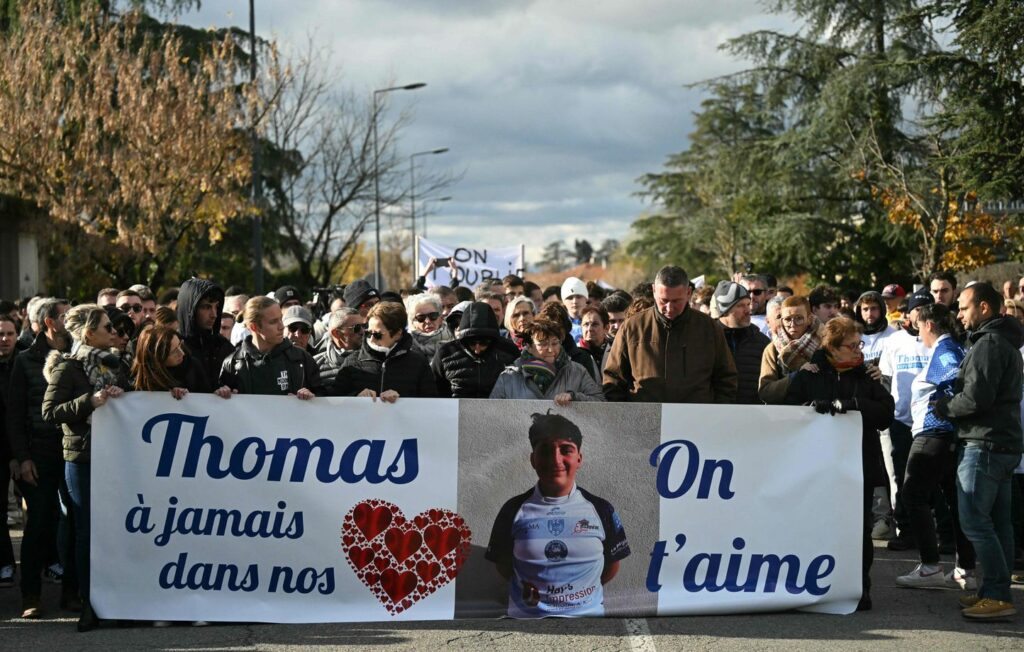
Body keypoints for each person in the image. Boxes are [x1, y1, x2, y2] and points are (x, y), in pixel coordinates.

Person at [785, 316, 895, 611]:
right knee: (818, 526)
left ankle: (860, 585)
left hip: (859, 464)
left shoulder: (867, 375)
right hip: (817, 467)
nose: (858, 351)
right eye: (851, 346)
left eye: (860, 345)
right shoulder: (811, 373)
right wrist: (809, 410)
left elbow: (886, 414)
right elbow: (787, 413)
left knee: (858, 529)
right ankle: (815, 583)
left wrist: (854, 406)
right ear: (832, 347)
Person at [934, 282, 1023, 619]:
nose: (958, 314)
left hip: (984, 444)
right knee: (998, 524)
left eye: (964, 306)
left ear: (984, 308)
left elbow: (976, 399)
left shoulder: (989, 344)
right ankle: (994, 591)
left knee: (974, 521)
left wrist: (944, 406)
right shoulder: (1003, 342)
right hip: (999, 443)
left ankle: (998, 595)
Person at [485, 412, 630, 618]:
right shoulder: (512, 509)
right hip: (526, 626)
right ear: (533, 459)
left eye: (566, 450)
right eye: (545, 450)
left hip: (588, 623)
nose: (555, 459)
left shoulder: (601, 509)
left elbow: (612, 566)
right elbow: (503, 566)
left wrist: (575, 598)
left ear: (579, 458)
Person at [42, 304, 130, 631]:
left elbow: (129, 402)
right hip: (83, 460)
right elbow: (50, 411)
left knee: (114, 530)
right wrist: (89, 402)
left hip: (116, 458)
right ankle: (88, 602)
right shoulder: (69, 368)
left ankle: (115, 600)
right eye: (107, 327)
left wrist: (124, 395)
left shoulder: (114, 364)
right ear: (89, 332)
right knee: (86, 532)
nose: (114, 333)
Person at [895, 303, 976, 591]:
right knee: (954, 500)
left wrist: (942, 407)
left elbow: (955, 379)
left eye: (919, 327)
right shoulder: (951, 347)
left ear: (929, 325)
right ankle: (965, 567)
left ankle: (930, 566)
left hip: (934, 433)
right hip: (944, 434)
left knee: (913, 495)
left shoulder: (945, 349)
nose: (919, 333)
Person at [6, 299, 76, 618]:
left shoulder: (79, 353)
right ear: (49, 322)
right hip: (40, 452)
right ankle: (30, 595)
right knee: (39, 521)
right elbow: (15, 414)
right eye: (64, 316)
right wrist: (22, 458)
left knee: (75, 522)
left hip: (75, 449)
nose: (70, 320)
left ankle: (73, 593)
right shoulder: (24, 360)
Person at [603, 265, 737, 404]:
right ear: (654, 291)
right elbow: (614, 378)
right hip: (644, 418)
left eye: (676, 301)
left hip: (697, 418)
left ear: (688, 293)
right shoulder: (632, 328)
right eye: (664, 300)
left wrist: (716, 413)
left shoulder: (708, 328)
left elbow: (726, 378)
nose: (669, 308)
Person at [878, 290, 935, 551]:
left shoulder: (938, 339)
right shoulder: (894, 341)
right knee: (902, 478)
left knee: (933, 481)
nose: (922, 313)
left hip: (932, 421)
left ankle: (940, 534)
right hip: (901, 420)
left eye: (927, 308)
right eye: (917, 309)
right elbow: (886, 379)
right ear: (908, 314)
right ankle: (906, 530)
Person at [217, 297, 322, 398]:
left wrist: (311, 397)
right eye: (273, 322)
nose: (281, 326)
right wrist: (223, 394)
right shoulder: (233, 363)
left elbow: (323, 400)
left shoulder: (302, 358)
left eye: (281, 319)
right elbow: (219, 407)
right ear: (254, 327)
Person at [333, 301, 436, 401]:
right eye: (369, 333)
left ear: (398, 334)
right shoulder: (351, 362)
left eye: (378, 335)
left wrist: (402, 400)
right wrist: (356, 396)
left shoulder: (418, 363)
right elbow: (335, 400)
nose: (371, 339)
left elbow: (430, 402)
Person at [490, 317, 605, 404]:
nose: (550, 349)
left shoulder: (576, 371)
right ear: (529, 346)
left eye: (555, 343)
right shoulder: (510, 376)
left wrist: (574, 397)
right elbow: (494, 412)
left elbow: (600, 401)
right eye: (543, 344)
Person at [433, 302, 520, 398]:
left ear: (493, 340)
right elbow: (435, 392)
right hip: (455, 411)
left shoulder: (509, 351)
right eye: (471, 343)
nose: (477, 350)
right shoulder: (446, 353)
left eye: (484, 343)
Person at [758, 296, 824, 404]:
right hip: (785, 415)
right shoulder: (773, 349)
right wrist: (796, 376)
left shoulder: (825, 344)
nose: (792, 324)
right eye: (788, 319)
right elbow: (765, 392)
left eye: (799, 318)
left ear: (809, 319)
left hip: (820, 414)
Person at [714, 281, 769, 405]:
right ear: (725, 310)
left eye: (748, 304)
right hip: (714, 415)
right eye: (740, 305)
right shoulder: (707, 339)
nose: (748, 310)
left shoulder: (762, 342)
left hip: (753, 417)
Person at [177, 278, 234, 389]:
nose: (214, 314)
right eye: (206, 307)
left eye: (216, 307)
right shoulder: (172, 347)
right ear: (190, 308)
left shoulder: (223, 347)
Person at [132, 325, 211, 396]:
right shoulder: (134, 378)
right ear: (157, 359)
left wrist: (188, 397)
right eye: (173, 352)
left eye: (180, 345)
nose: (182, 353)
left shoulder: (193, 366)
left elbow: (207, 401)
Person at [314, 308, 365, 388]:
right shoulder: (314, 365)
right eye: (357, 328)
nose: (363, 331)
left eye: (364, 326)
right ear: (336, 333)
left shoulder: (375, 361)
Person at [853, 291, 897, 365]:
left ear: (882, 310)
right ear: (859, 312)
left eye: (874, 308)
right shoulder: (853, 336)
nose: (869, 314)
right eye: (865, 309)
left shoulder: (894, 335)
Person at [406, 293, 451, 360]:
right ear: (413, 323)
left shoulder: (456, 341)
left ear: (441, 318)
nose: (427, 321)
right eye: (421, 317)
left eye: (433, 315)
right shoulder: (406, 347)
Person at [579, 306, 613, 373]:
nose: (589, 329)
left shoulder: (614, 351)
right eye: (586, 324)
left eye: (595, 324)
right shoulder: (574, 353)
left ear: (606, 328)